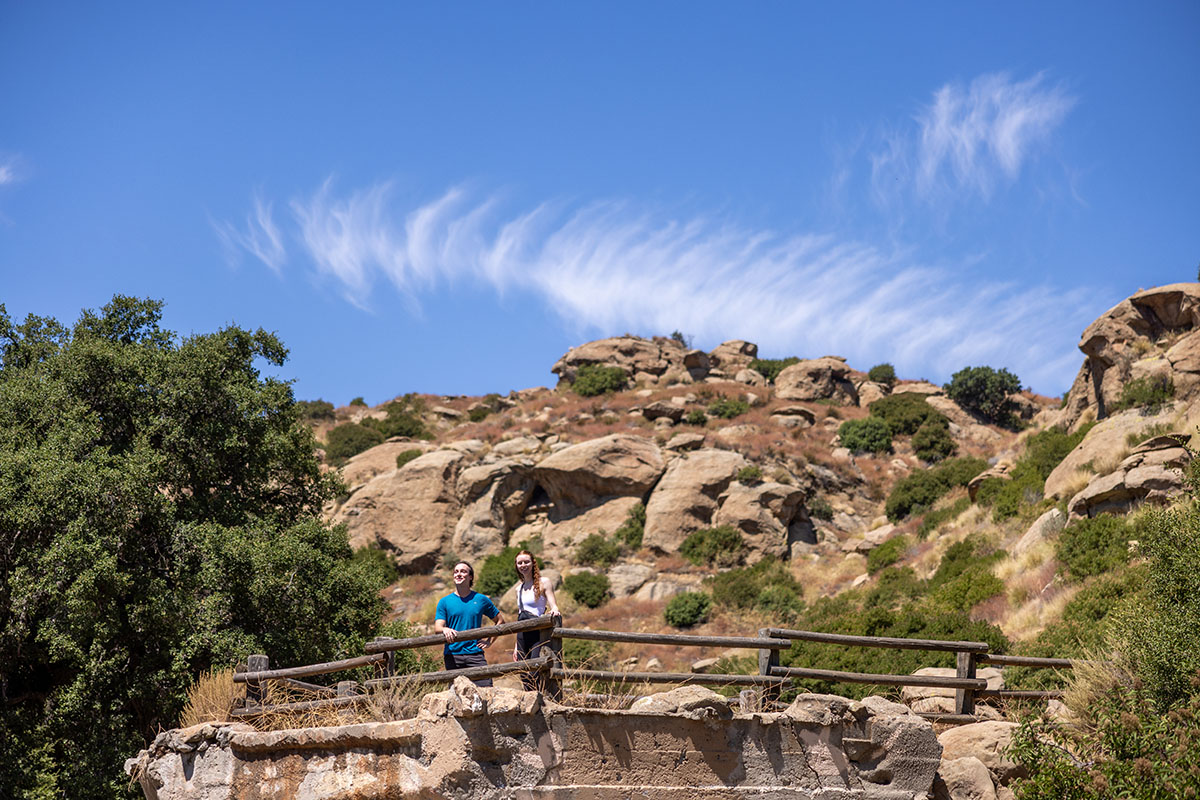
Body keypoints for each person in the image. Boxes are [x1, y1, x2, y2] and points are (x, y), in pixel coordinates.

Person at [434, 560, 504, 687]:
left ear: (470, 577)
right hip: (453, 655)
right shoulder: (444, 602)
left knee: (486, 690)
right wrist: (445, 629)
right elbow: (438, 627)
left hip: (475, 654)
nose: (458, 574)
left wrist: (489, 641)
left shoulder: (481, 599)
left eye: (463, 571)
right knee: (457, 696)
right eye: (456, 572)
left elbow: (500, 621)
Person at [511, 549, 559, 691]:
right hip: (522, 634)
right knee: (523, 670)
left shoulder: (544, 582)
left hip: (537, 631)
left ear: (533, 563)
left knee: (535, 669)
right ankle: (529, 702)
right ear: (516, 565)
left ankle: (539, 702)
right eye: (520, 563)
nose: (523, 565)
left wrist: (555, 610)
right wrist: (515, 645)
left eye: (526, 562)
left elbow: (553, 604)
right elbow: (520, 614)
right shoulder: (518, 589)